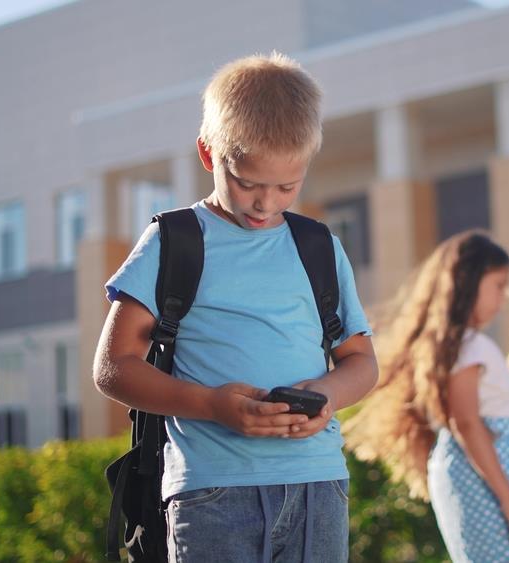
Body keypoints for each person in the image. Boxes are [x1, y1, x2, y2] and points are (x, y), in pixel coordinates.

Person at [92, 52, 377, 563]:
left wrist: (327, 395)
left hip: (318, 484)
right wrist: (212, 406)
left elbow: (360, 362)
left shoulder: (318, 246)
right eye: (247, 182)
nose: (266, 204)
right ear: (208, 153)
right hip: (212, 492)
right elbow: (113, 368)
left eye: (287, 187)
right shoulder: (172, 240)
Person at [345, 231, 509, 563]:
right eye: (498, 285)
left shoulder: (466, 345)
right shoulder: (469, 347)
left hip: (489, 486)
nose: (503, 297)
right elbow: (466, 422)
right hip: (488, 491)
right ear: (468, 283)